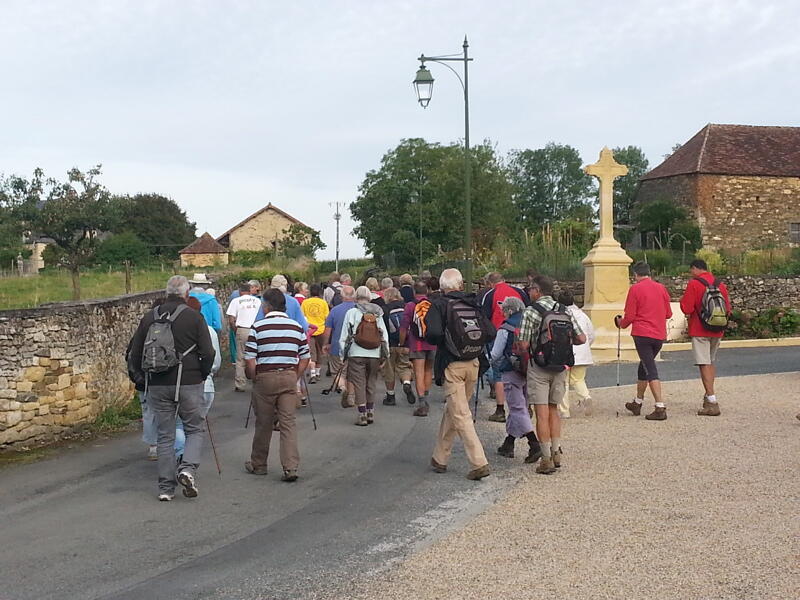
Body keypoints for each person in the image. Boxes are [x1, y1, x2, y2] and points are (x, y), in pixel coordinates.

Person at [128, 275, 216, 501]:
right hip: (188, 381)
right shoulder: (194, 317)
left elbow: (135, 353)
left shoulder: (149, 317)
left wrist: (140, 377)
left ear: (166, 292)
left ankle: (166, 488)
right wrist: (201, 374)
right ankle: (187, 469)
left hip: (157, 383)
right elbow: (208, 353)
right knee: (194, 429)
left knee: (165, 436)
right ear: (187, 294)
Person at [422, 268, 494, 480]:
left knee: (461, 414)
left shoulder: (439, 304)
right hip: (473, 363)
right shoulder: (474, 303)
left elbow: (433, 333)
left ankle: (478, 462)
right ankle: (440, 457)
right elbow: (490, 332)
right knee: (454, 409)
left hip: (451, 364)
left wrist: (443, 341)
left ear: (442, 287)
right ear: (461, 285)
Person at [517, 275, 586, 475]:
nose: (529, 292)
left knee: (541, 413)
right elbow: (581, 338)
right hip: (560, 366)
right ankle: (557, 453)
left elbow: (523, 344)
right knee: (554, 409)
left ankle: (545, 458)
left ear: (537, 290)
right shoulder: (564, 310)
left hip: (539, 366)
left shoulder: (531, 311)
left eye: (531, 289)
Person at [244, 289, 310, 482]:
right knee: (288, 422)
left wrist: (254, 376)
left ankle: (259, 464)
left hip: (265, 377)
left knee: (264, 422)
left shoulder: (258, 327)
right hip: (289, 375)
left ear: (267, 306)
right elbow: (305, 357)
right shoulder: (296, 328)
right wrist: (295, 375)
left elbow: (250, 359)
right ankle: (290, 467)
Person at [616, 261, 673, 421]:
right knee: (644, 366)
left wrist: (622, 323)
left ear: (635, 274)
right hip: (659, 334)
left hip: (643, 334)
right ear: (649, 272)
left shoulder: (635, 289)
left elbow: (630, 316)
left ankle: (660, 406)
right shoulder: (661, 288)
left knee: (650, 369)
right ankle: (638, 401)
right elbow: (668, 313)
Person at [490, 296, 542, 463]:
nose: (503, 314)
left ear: (509, 310)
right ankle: (509, 443)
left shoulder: (505, 328)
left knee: (517, 408)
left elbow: (496, 354)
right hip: (530, 369)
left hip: (511, 370)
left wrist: (488, 362)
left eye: (504, 311)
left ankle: (534, 444)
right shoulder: (531, 323)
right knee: (521, 407)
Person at [680, 258, 732, 416]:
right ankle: (708, 395)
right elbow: (728, 308)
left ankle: (712, 400)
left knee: (704, 363)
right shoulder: (720, 284)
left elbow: (686, 308)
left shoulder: (694, 284)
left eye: (691, 271)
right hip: (718, 328)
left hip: (700, 329)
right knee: (710, 362)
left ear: (695, 268)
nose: (691, 274)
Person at [175, 296, 222, 459]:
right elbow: (215, 362)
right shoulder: (209, 331)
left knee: (179, 424)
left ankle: (182, 454)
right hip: (206, 386)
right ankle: (188, 460)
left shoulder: (174, 327)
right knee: (195, 425)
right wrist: (205, 373)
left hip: (181, 383)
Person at [481, 272, 531, 423]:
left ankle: (500, 409)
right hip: (522, 333)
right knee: (525, 370)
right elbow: (528, 309)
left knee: (498, 374)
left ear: (490, 283)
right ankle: (527, 407)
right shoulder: (519, 291)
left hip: (498, 333)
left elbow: (484, 316)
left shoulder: (489, 294)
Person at [339, 286, 390, 426]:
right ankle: (370, 411)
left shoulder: (351, 312)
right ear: (369, 297)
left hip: (356, 353)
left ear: (356, 297)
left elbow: (344, 335)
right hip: (375, 353)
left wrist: (343, 355)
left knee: (359, 383)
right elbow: (384, 334)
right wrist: (385, 355)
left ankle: (362, 414)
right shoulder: (377, 313)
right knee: (371, 382)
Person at [400, 280, 436, 414]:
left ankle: (422, 403)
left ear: (414, 292)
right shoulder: (432, 304)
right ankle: (425, 397)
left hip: (417, 343)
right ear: (427, 291)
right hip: (432, 343)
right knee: (428, 371)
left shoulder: (410, 306)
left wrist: (402, 342)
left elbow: (404, 326)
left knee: (418, 373)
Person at [558, 291, 596, 417]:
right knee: (578, 379)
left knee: (564, 382)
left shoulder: (560, 315)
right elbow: (591, 335)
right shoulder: (582, 315)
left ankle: (565, 411)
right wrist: (586, 347)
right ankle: (586, 396)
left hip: (565, 353)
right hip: (582, 353)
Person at [322, 285, 357, 406]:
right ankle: (351, 397)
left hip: (337, 346)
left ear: (342, 296)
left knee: (336, 371)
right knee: (352, 373)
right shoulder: (359, 309)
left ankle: (343, 388)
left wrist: (326, 343)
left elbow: (328, 329)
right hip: (355, 347)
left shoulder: (335, 310)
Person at [380, 287, 413, 406]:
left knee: (389, 370)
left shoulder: (384, 309)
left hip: (390, 345)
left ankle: (390, 396)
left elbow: (382, 329)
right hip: (405, 343)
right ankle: (406, 382)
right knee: (404, 367)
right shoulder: (407, 307)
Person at [226, 282, 262, 392]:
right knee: (257, 356)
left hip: (242, 329)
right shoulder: (258, 301)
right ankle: (259, 381)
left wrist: (236, 330)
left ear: (240, 291)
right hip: (256, 329)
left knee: (241, 357)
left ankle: (240, 383)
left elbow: (231, 320)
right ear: (250, 290)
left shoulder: (235, 301)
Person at [301, 283, 330, 384]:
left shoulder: (305, 302)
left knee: (311, 352)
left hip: (310, 330)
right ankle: (317, 372)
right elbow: (327, 317)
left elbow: (302, 316)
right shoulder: (323, 303)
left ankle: (312, 372)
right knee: (320, 352)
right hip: (321, 329)